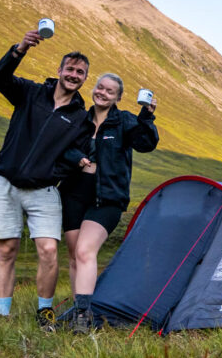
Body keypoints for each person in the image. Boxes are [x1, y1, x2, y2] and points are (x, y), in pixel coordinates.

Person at [0, 27, 92, 328]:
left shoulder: (80, 117)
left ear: (84, 79)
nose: (74, 75)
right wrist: (20, 49)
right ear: (59, 70)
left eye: (80, 72)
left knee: (48, 251)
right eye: (70, 69)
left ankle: (45, 313)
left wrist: (49, 173)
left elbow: (77, 155)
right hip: (5, 183)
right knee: (7, 249)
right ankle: (2, 315)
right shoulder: (31, 93)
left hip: (44, 191)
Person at [60, 73, 159, 332]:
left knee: (84, 251)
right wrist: (76, 157)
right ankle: (78, 309)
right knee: (73, 256)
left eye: (109, 91)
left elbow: (146, 143)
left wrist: (147, 115)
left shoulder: (124, 121)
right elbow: (61, 147)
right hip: (73, 192)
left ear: (118, 97)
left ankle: (83, 317)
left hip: (108, 197)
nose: (102, 93)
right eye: (100, 88)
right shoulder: (79, 118)